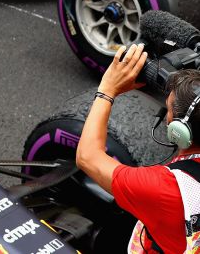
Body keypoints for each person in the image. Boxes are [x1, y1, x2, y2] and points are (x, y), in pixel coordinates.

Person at [76, 43, 200, 252]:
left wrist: (107, 89)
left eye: (168, 109)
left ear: (179, 131)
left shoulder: (166, 189)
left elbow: (87, 156)